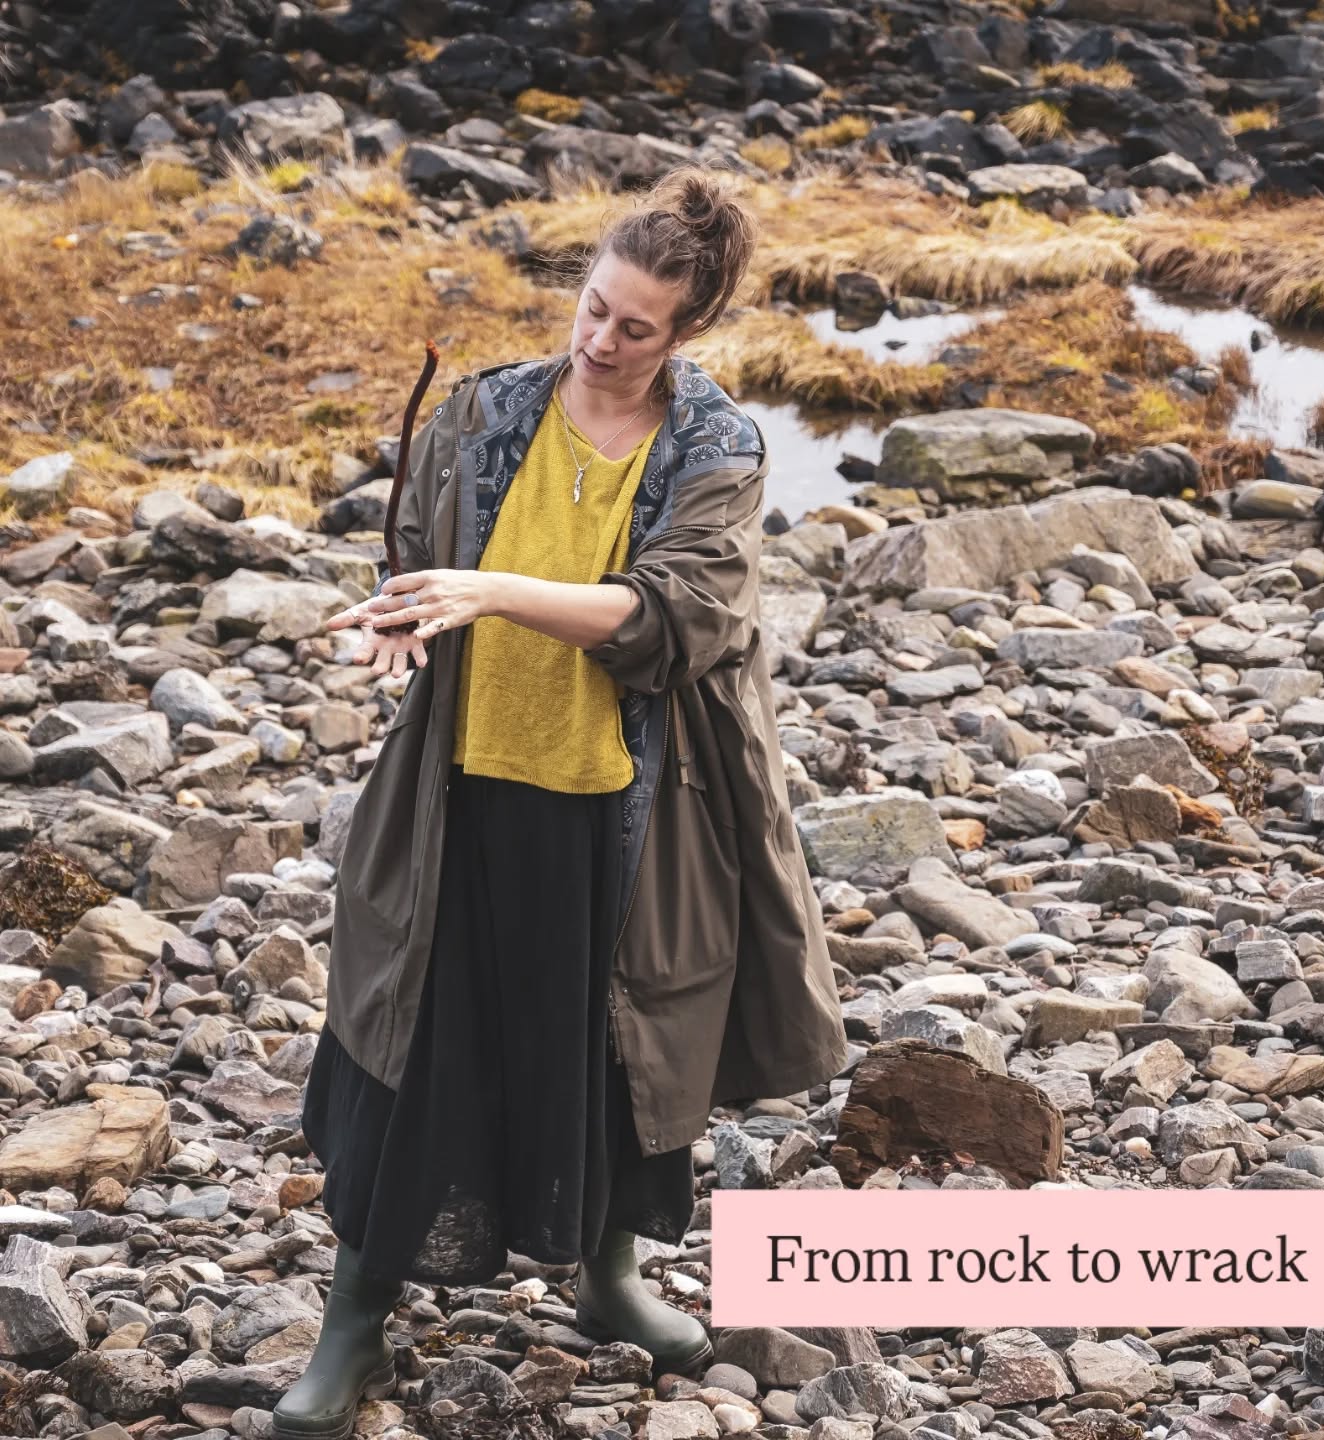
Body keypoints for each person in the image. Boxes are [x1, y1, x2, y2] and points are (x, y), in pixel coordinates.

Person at [275, 165, 849, 1440]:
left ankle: (611, 1280)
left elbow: (674, 618)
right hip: (464, 792)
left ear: (684, 333)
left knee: (621, 1043)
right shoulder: (482, 413)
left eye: (636, 327)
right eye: (592, 307)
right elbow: (426, 564)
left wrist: (490, 592)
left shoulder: (716, 450)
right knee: (419, 1046)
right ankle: (354, 1319)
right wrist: (404, 621)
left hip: (630, 810)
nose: (600, 340)